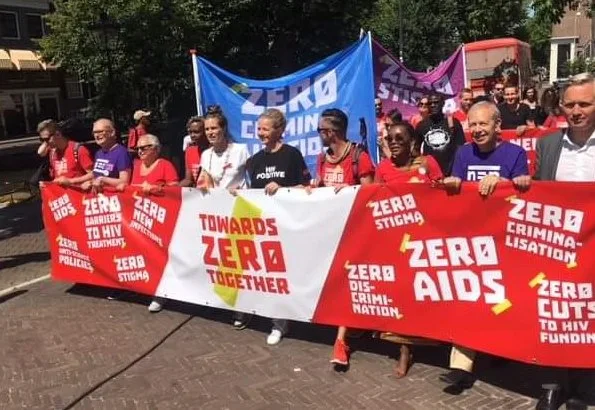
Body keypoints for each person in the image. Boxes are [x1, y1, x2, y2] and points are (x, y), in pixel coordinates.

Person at [440, 101, 531, 395]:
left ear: (496, 126)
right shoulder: (463, 153)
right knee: (469, 299)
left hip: (506, 243)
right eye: (473, 125)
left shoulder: (515, 154)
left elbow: (524, 189)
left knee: (501, 301)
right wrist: (452, 183)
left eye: (483, 124)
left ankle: (500, 348)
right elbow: (458, 194)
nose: (477, 130)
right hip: (472, 242)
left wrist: (507, 183)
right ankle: (460, 368)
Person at [533, 72, 595, 410]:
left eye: (584, 103)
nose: (576, 110)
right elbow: (539, 194)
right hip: (556, 249)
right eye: (569, 104)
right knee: (554, 314)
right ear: (560, 106)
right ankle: (553, 385)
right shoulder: (548, 144)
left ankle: (587, 382)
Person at [232, 108, 311, 346]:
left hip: (286, 226)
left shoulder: (292, 155)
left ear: (279, 130)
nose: (261, 133)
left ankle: (281, 323)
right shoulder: (255, 161)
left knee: (282, 275)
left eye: (265, 129)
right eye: (259, 129)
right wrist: (236, 194)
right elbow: (253, 193)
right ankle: (260, 313)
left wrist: (284, 188)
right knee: (263, 273)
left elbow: (306, 188)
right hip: (261, 226)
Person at [313, 108, 375, 367]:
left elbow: (371, 194)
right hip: (331, 230)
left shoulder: (358, 157)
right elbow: (320, 185)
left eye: (320, 130)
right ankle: (353, 326)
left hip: (356, 230)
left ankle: (341, 341)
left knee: (349, 281)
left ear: (331, 132)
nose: (318, 135)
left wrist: (350, 191)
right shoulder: (321, 158)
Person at [131, 133, 179, 313]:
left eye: (145, 147)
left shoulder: (165, 165)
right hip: (139, 219)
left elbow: (175, 189)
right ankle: (149, 288)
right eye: (138, 148)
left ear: (156, 149)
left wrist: (156, 189)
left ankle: (162, 294)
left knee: (160, 257)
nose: (140, 151)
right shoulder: (136, 166)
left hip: (160, 219)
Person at [376, 121, 443, 184]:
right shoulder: (382, 168)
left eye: (399, 138)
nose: (393, 142)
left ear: (412, 142)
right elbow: (376, 194)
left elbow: (441, 191)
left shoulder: (427, 162)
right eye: (390, 139)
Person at [198, 105, 249, 190]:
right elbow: (205, 184)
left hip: (238, 200)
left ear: (224, 128)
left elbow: (254, 177)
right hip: (216, 201)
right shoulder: (206, 155)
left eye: (214, 128)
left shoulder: (241, 150)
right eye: (207, 129)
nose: (210, 132)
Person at [416, 93, 465, 176]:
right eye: (430, 103)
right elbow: (416, 150)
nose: (433, 105)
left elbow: (461, 148)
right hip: (430, 174)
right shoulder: (421, 125)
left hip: (451, 173)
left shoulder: (454, 123)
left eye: (436, 102)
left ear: (442, 103)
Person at [36, 119, 94, 186]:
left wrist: (70, 181)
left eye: (47, 139)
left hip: (78, 193)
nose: (46, 142)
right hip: (61, 194)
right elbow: (40, 152)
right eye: (42, 140)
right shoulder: (52, 151)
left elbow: (93, 174)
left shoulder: (78, 150)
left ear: (58, 134)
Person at [81, 118, 132, 192]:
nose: (97, 135)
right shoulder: (98, 153)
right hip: (98, 199)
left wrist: (103, 180)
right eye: (94, 132)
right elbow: (95, 174)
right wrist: (88, 183)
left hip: (115, 199)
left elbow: (124, 182)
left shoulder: (122, 153)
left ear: (112, 132)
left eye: (100, 131)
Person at [179, 116, 208, 187]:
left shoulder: (215, 150)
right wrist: (172, 189)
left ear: (205, 131)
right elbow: (188, 180)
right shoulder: (190, 151)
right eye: (190, 132)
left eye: (196, 132)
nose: (192, 135)